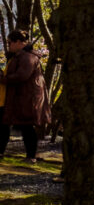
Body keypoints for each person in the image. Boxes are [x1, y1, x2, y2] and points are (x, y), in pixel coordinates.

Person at [0, 30, 51, 163]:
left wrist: (3, 79)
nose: (8, 45)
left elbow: (21, 76)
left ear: (18, 42)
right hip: (21, 98)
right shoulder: (19, 56)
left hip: (26, 98)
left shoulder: (27, 57)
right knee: (9, 125)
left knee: (26, 126)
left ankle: (31, 156)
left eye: (10, 42)